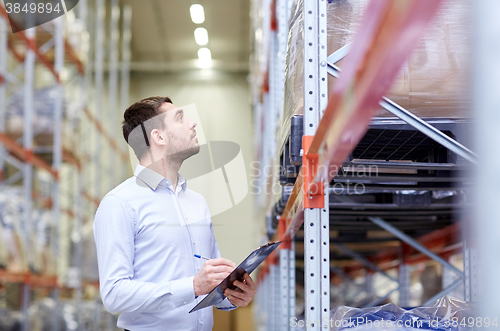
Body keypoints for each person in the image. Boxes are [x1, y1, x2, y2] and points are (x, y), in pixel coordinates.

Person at [93, 96, 255, 331]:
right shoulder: (120, 203)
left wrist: (232, 295)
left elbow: (210, 284)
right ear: (158, 136)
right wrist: (192, 286)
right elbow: (114, 294)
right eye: (180, 118)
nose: (192, 123)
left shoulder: (197, 202)